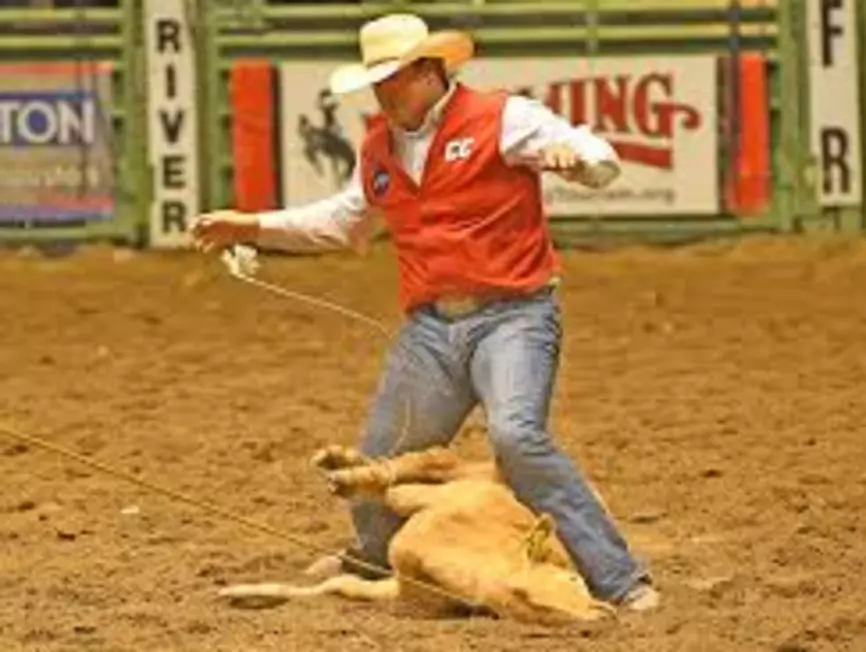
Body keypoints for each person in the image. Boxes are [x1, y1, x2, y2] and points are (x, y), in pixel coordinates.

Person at [190, 13, 659, 612]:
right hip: (433, 327)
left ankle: (620, 578)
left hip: (514, 315)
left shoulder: (502, 117)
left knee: (517, 437)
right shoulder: (379, 148)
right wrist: (252, 225)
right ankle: (374, 554)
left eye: (395, 80)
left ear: (431, 71)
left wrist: (581, 160)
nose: (385, 95)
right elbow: (343, 221)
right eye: (377, 84)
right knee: (378, 459)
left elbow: (599, 156)